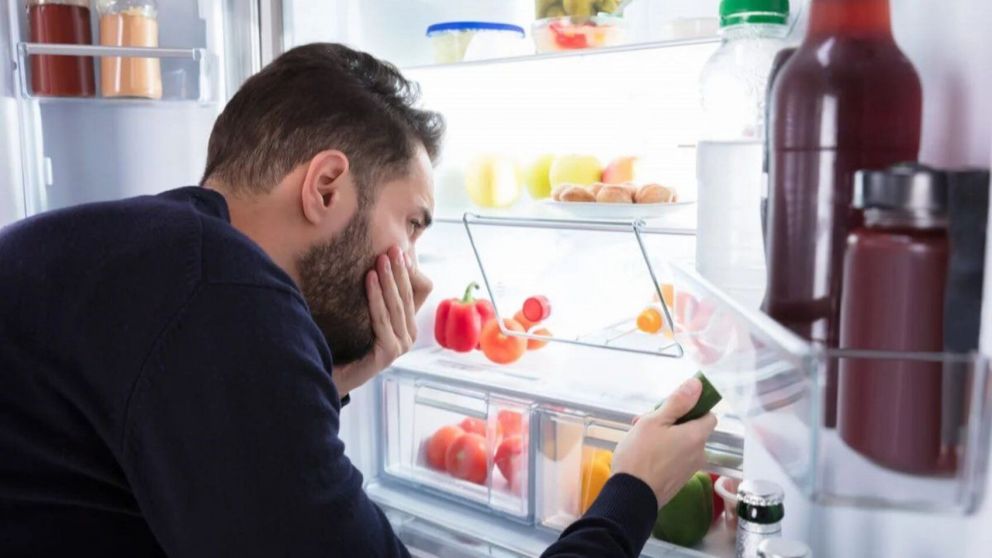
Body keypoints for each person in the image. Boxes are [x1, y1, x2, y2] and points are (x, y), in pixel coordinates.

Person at [0, 43, 717, 557]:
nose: (416, 271)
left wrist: (335, 377)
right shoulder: (223, 291)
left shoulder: (155, 258)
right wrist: (633, 490)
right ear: (326, 187)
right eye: (411, 225)